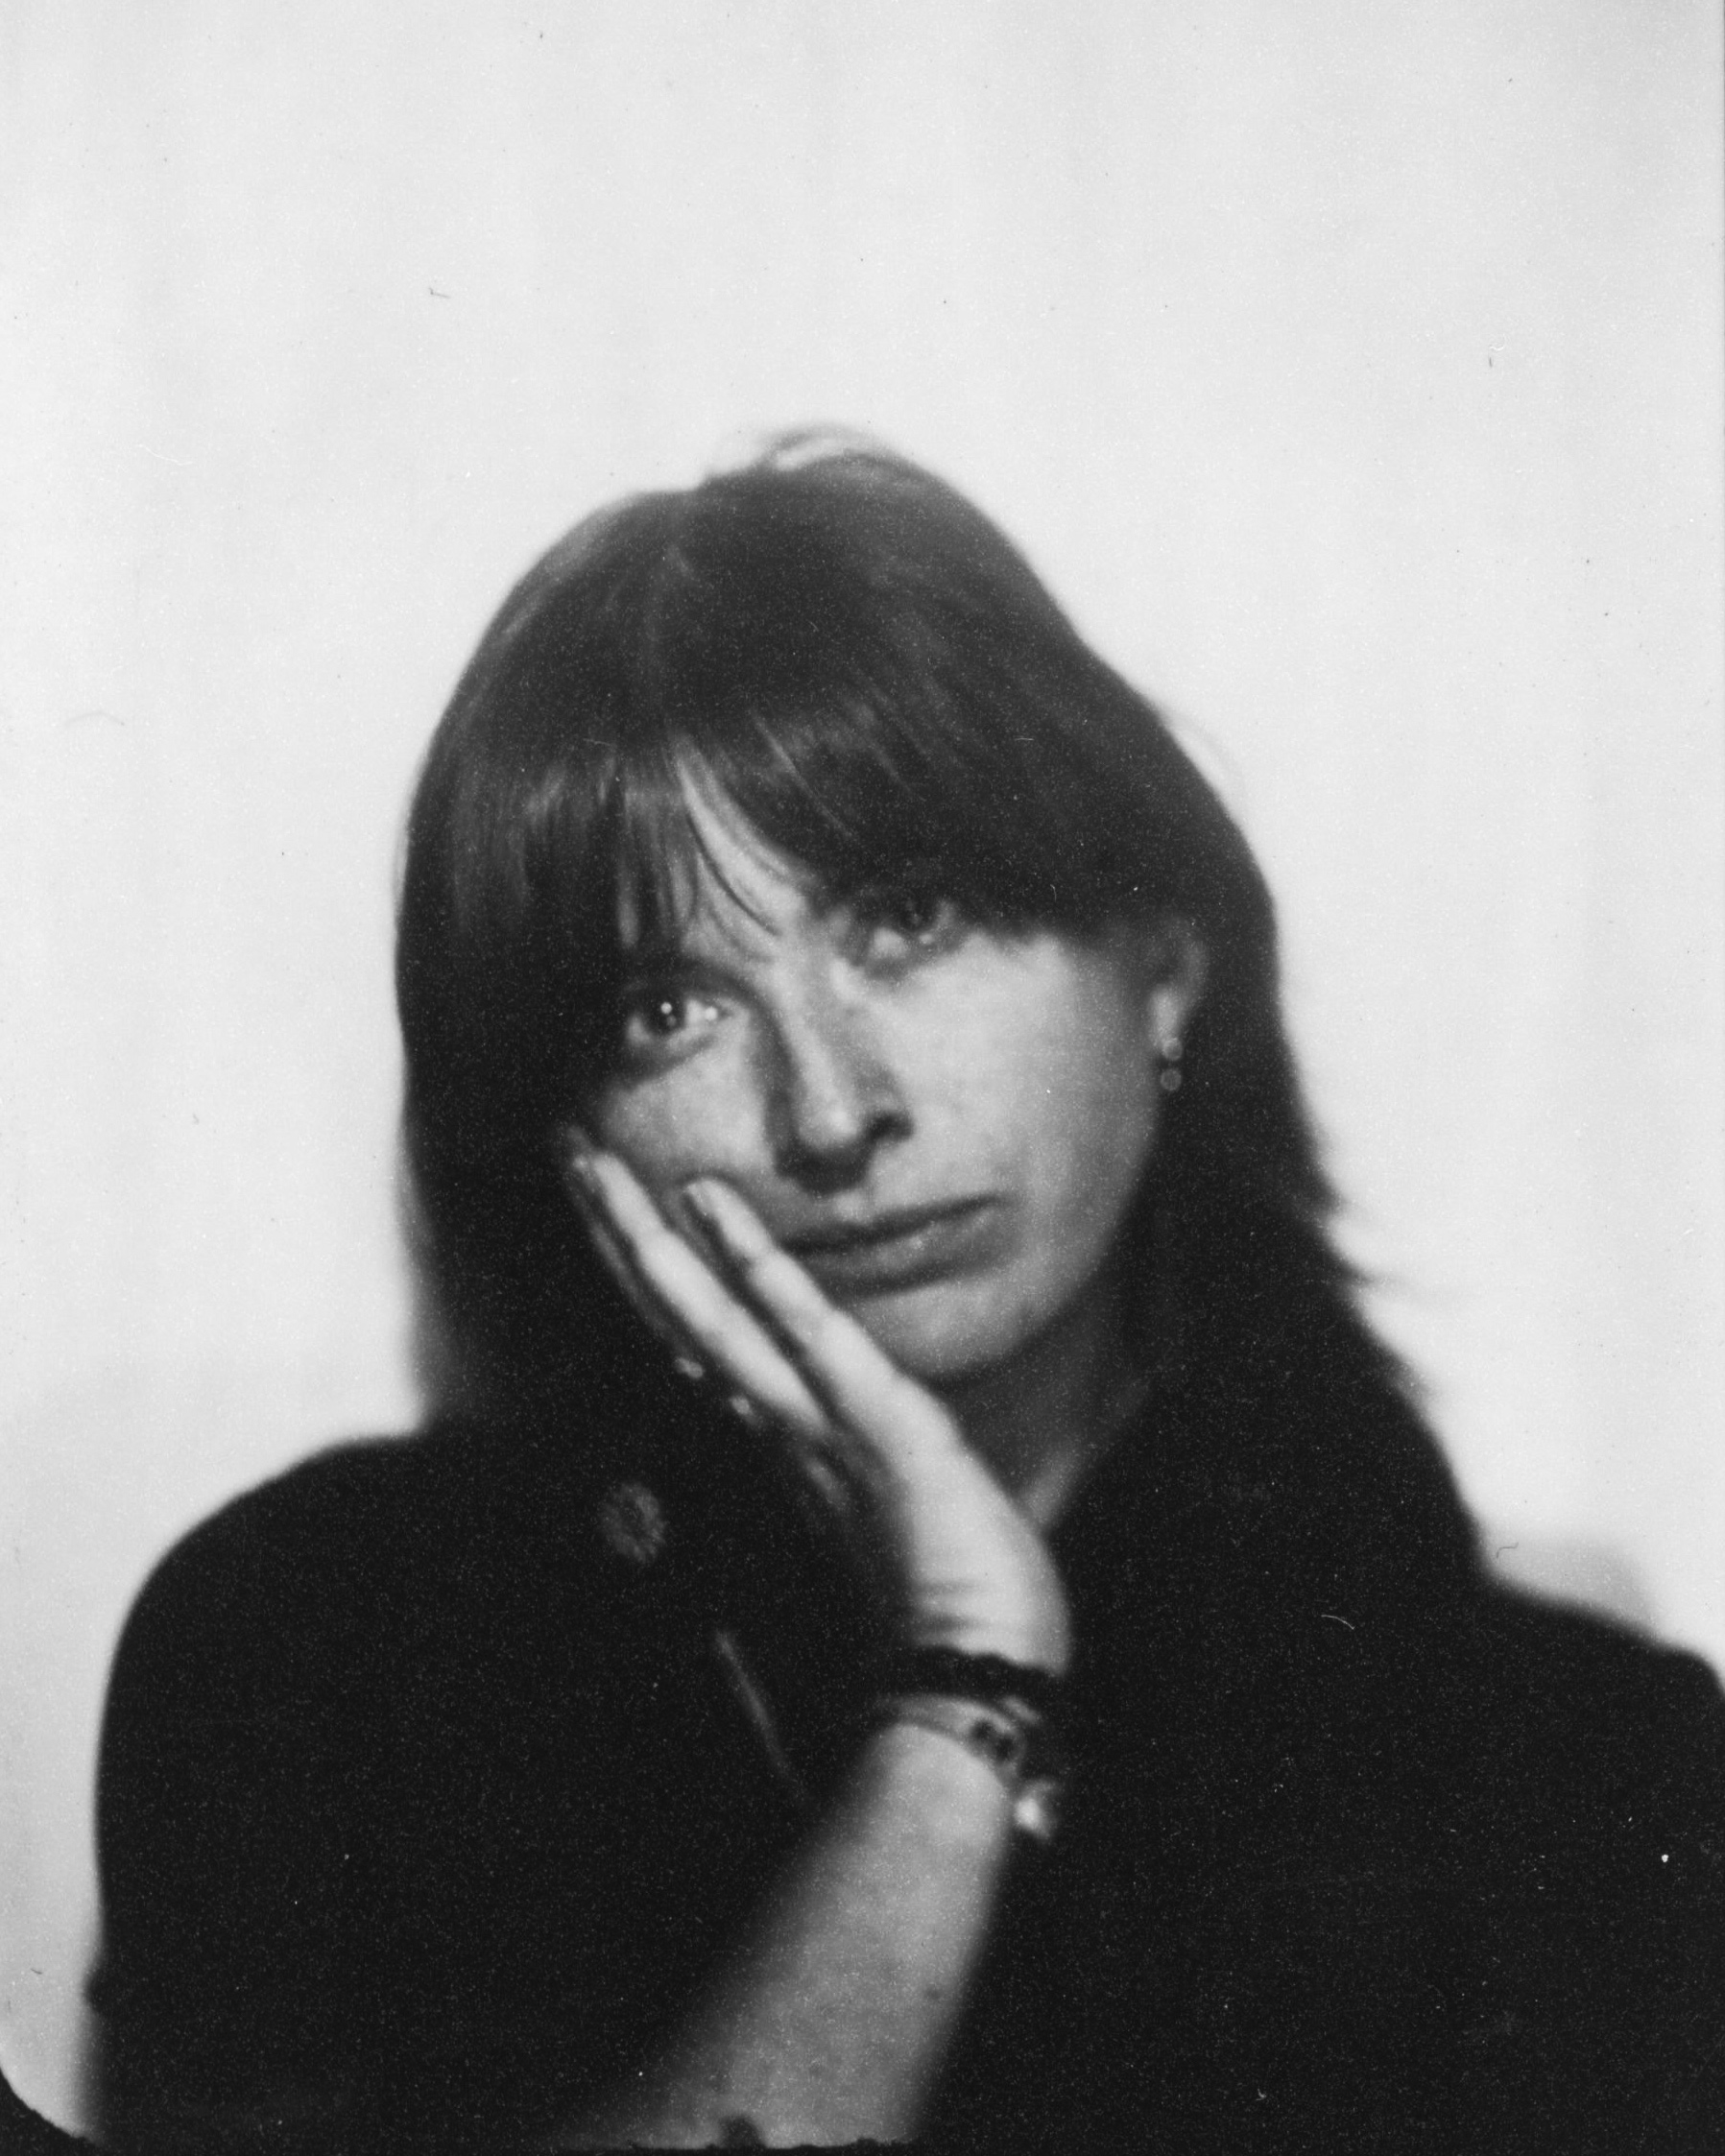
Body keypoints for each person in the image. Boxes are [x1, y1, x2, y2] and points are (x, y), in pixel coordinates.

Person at [90, 438, 1724, 2152]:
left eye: (910, 917)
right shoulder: (313, 1662)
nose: (827, 1110)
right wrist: (961, 1699)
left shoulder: (1588, 1769)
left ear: (1164, 967)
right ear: (565, 1132)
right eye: (668, 1010)